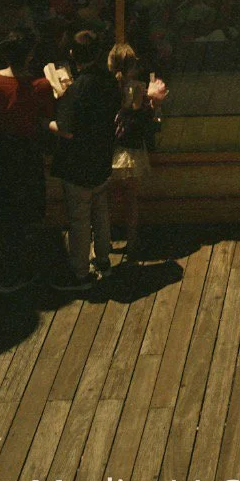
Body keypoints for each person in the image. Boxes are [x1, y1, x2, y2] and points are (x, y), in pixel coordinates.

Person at [0, 30, 54, 292]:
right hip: (24, 152)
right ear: (30, 55)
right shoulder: (40, 86)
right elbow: (45, 116)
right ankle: (13, 274)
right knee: (20, 213)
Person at [49, 28, 123, 291]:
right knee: (100, 210)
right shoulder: (109, 81)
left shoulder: (78, 88)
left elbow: (66, 130)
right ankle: (103, 260)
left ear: (73, 55)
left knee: (80, 219)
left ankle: (80, 273)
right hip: (101, 156)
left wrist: (50, 123)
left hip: (78, 162)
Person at [107, 42, 163, 261]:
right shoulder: (139, 87)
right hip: (132, 151)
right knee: (131, 200)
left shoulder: (110, 87)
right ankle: (133, 241)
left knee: (108, 200)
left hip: (111, 150)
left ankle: (105, 241)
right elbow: (147, 117)